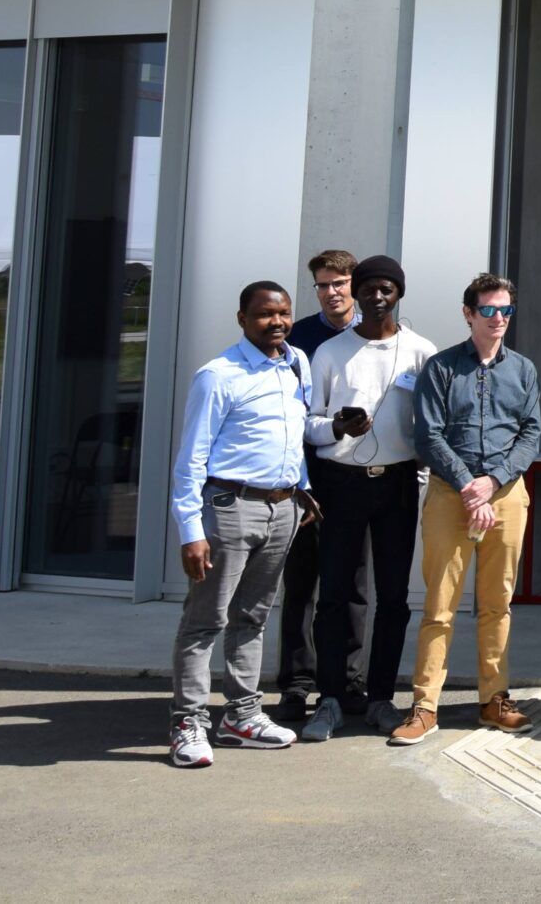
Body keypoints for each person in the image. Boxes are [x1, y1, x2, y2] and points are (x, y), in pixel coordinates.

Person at [168, 283, 315, 768]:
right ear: (242, 318)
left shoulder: (296, 364)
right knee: (205, 620)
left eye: (284, 314)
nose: (276, 322)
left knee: (252, 617)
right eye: (264, 315)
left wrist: (303, 488)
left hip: (283, 509)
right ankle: (188, 723)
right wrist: (191, 529)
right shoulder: (218, 376)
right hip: (230, 508)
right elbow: (191, 458)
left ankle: (241, 716)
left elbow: (295, 432)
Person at [392, 273, 541, 745]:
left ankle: (494, 698)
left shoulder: (523, 370)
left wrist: (493, 481)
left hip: (507, 493)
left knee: (497, 602)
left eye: (507, 311)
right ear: (468, 313)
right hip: (448, 494)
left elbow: (531, 433)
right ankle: (425, 705)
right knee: (440, 605)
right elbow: (428, 435)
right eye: (490, 310)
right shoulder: (440, 368)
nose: (499, 319)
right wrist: (468, 486)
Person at [298, 252, 434, 741]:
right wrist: (337, 425)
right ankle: (330, 697)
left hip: (397, 483)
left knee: (393, 596)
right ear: (355, 294)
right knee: (335, 592)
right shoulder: (331, 352)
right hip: (343, 482)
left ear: (398, 293)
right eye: (369, 288)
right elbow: (308, 424)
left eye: (386, 289)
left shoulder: (421, 352)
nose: (377, 297)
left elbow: (430, 426)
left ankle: (380, 698)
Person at [275, 249, 358, 726]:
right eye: (323, 284)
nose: (332, 292)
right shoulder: (300, 336)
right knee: (301, 584)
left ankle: (349, 680)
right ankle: (297, 683)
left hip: (356, 479)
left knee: (353, 587)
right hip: (304, 481)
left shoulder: (377, 331)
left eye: (340, 282)